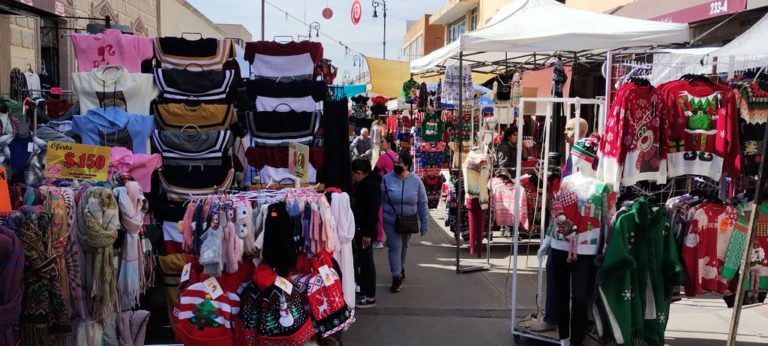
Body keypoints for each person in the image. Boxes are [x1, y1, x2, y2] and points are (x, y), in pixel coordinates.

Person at [526, 116, 589, 334]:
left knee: (559, 272)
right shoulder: (574, 156)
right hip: (568, 224)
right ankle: (557, 318)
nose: (565, 132)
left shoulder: (582, 157)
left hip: (575, 225)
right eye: (566, 128)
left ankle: (554, 318)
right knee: (559, 272)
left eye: (570, 129)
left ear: (581, 131)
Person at [381, 151, 429, 293]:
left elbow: (423, 203)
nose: (396, 165)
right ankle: (396, 276)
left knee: (404, 247)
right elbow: (380, 199)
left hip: (408, 221)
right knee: (395, 247)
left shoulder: (416, 181)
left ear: (407, 166)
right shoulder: (386, 179)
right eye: (395, 162)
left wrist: (424, 224)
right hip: (391, 220)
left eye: (399, 163)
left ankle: (400, 268)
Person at [351, 159, 381, 308]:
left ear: (358, 173)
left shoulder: (369, 186)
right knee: (363, 261)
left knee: (366, 263)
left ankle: (370, 297)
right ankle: (364, 289)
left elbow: (372, 212)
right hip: (364, 229)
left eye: (353, 174)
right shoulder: (366, 184)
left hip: (366, 231)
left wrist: (367, 234)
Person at [372, 136, 398, 249]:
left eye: (382, 142)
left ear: (389, 144)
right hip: (395, 188)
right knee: (392, 215)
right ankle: (391, 238)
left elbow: (374, 172)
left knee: (380, 214)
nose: (380, 144)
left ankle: (379, 240)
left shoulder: (383, 157)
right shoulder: (396, 156)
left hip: (383, 189)